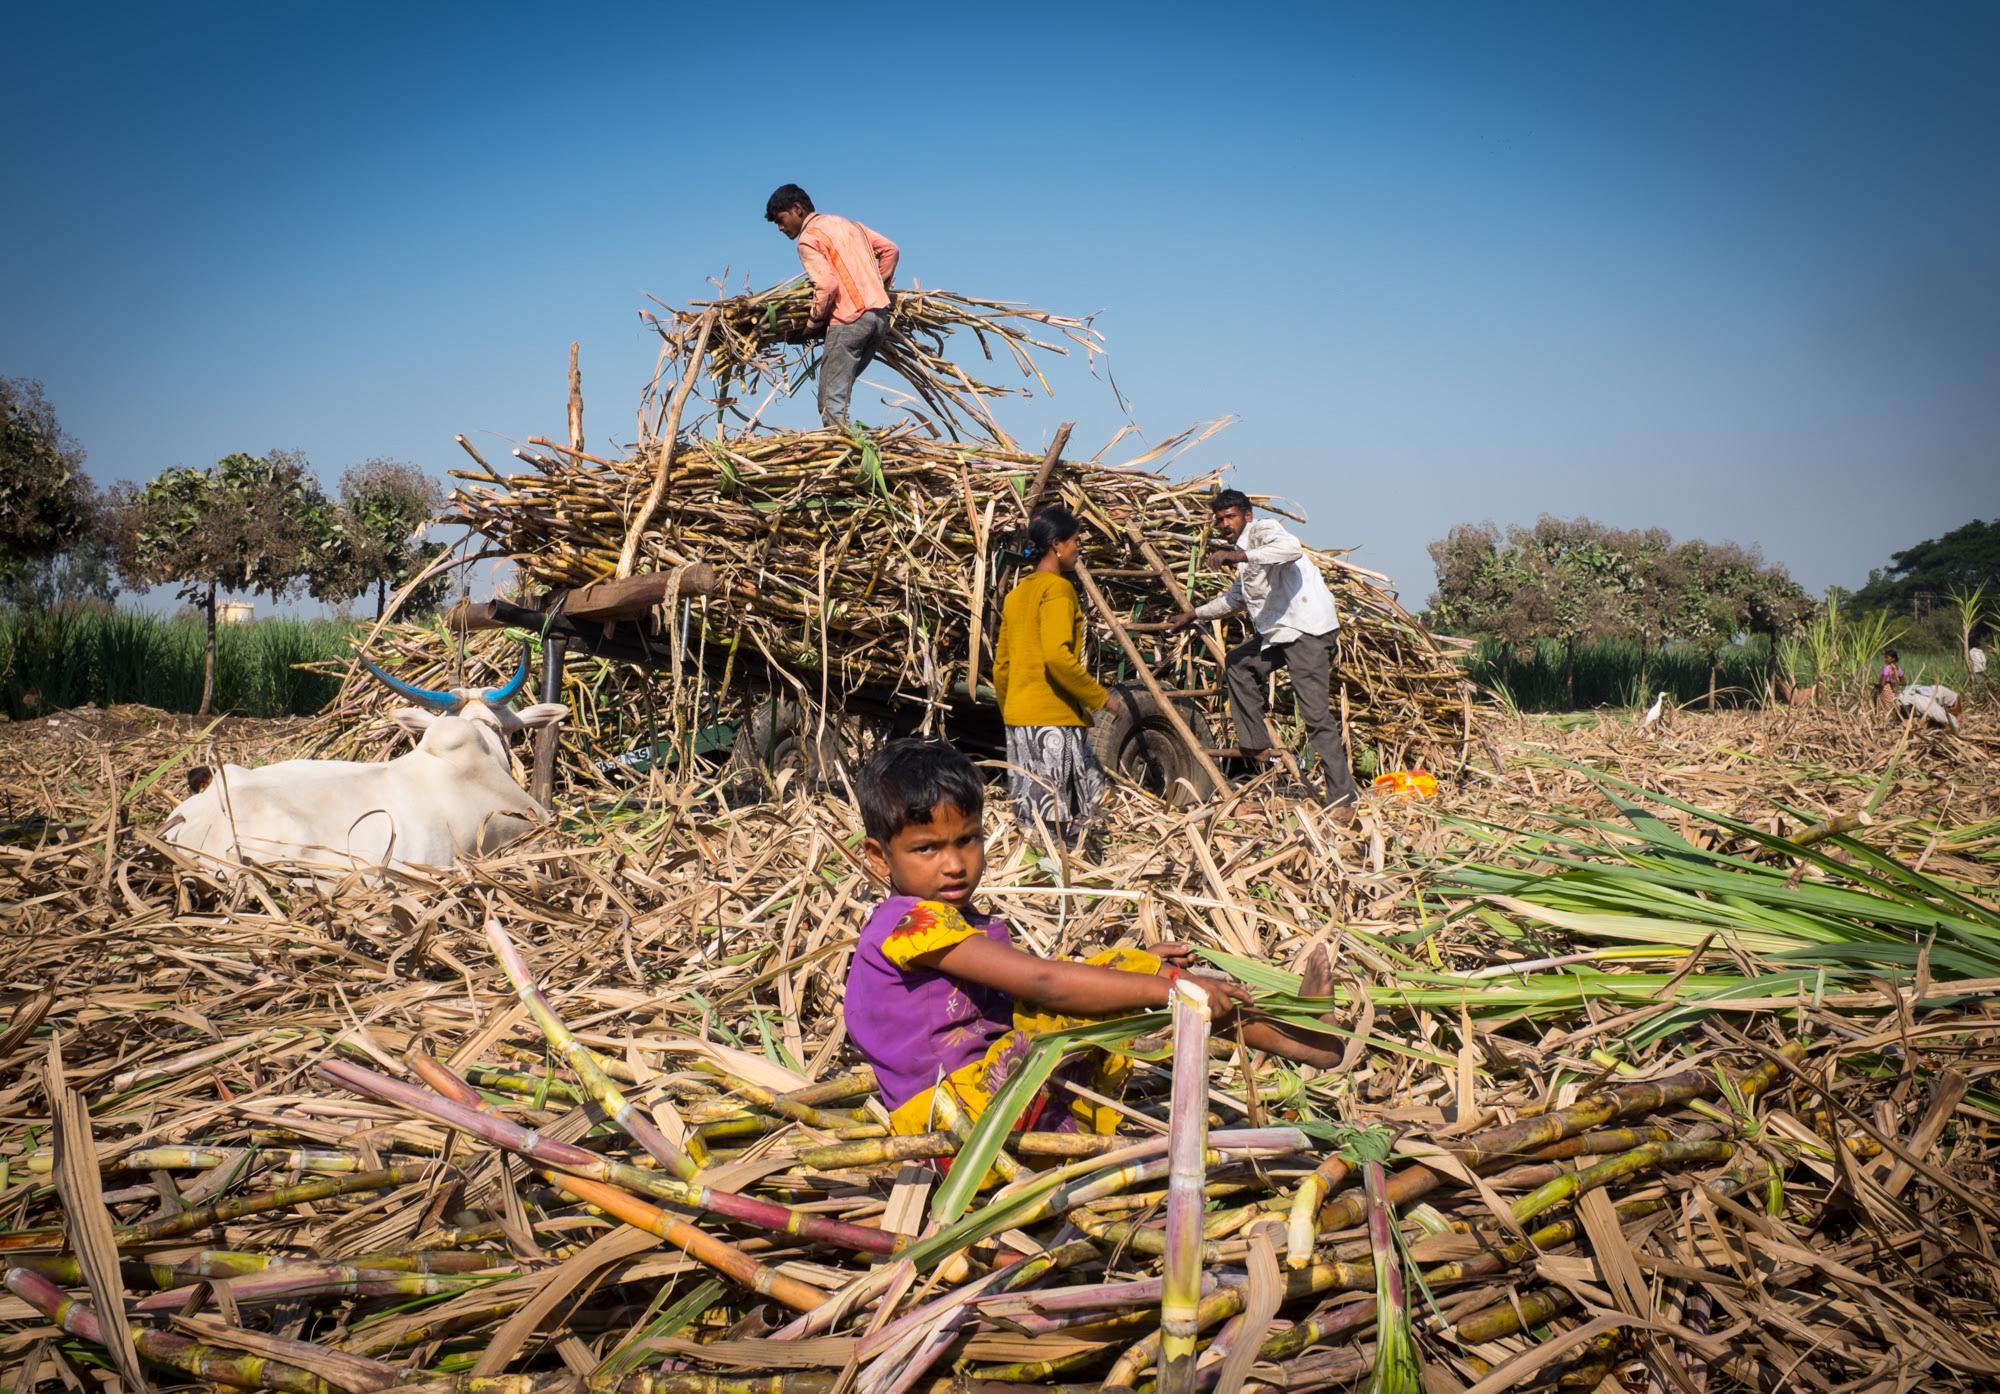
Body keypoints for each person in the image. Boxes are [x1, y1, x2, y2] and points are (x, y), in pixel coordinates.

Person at [844, 740, 1346, 1141]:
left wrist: (1133, 969)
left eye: (967, 840)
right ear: (878, 857)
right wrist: (1164, 988)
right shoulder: (910, 925)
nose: (953, 864)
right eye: (927, 848)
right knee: (1152, 983)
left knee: (1132, 973)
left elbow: (1019, 992)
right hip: (961, 1123)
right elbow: (1042, 982)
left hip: (970, 1108)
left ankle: (1299, 1036)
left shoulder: (944, 920)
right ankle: (1310, 1044)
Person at [1170, 489, 1361, 823]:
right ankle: (1255, 743)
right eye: (1219, 520)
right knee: (1238, 663)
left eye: (1230, 517)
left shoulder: (1264, 532)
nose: (1225, 524)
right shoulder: (1244, 557)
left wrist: (1238, 557)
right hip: (1279, 634)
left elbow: (1291, 549)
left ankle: (1344, 798)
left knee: (1316, 717)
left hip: (1308, 632)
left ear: (1246, 515)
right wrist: (1194, 614)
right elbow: (1233, 601)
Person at [991, 506, 1124, 846]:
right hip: (1051, 720)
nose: (1079, 548)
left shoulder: (1017, 594)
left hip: (1022, 719)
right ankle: (1064, 884)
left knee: (1037, 820)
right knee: (1058, 823)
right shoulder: (1058, 590)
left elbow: (1002, 665)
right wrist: (1101, 698)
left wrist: (1012, 711)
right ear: (1057, 545)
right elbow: (1057, 658)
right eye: (1075, 540)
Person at [764, 184, 899, 429]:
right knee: (840, 390)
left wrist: (811, 324)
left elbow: (826, 286)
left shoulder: (808, 238)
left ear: (797, 209)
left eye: (781, 220)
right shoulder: (851, 225)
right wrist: (879, 288)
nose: (780, 228)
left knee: (830, 403)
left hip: (850, 322)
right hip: (880, 318)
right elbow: (890, 250)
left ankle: (847, 460)